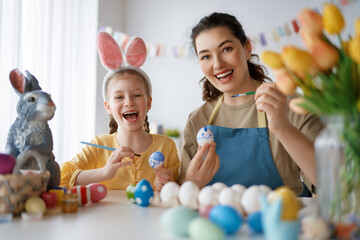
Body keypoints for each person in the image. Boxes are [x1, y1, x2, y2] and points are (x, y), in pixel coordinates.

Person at [178, 12, 323, 196]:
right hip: (216, 224)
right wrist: (192, 183)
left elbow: (332, 183)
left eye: (226, 49)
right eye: (206, 56)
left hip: (282, 221)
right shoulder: (197, 121)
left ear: (247, 47)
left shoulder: (291, 106)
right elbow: (182, 198)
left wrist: (283, 128)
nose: (218, 64)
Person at [60, 33, 179, 192]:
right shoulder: (98, 146)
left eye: (136, 95)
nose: (129, 102)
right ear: (108, 107)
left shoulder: (166, 146)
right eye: (119, 97)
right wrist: (104, 172)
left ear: (148, 102)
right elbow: (62, 177)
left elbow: (176, 187)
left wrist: (164, 186)